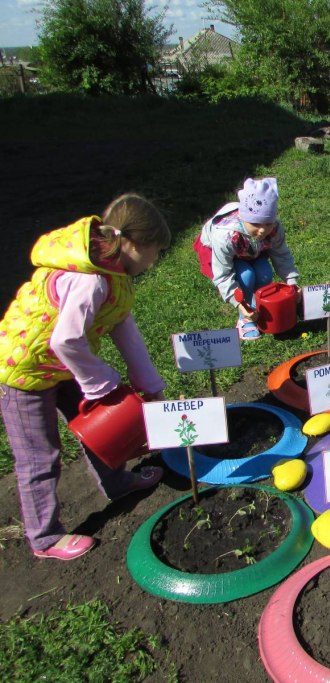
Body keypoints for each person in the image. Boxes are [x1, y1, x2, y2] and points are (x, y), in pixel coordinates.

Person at [0, 194, 171, 561]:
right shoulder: (90, 279)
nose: (155, 260)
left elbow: (125, 329)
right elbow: (66, 340)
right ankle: (45, 536)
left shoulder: (116, 275)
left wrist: (150, 386)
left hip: (61, 364)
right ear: (133, 243)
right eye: (155, 252)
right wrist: (101, 384)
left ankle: (116, 480)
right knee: (39, 454)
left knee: (99, 424)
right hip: (23, 369)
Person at [194, 177, 300, 340]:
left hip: (251, 249)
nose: (262, 230)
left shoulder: (274, 229)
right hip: (224, 255)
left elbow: (281, 255)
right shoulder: (225, 235)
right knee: (246, 275)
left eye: (268, 223)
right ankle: (245, 316)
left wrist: (291, 282)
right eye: (256, 224)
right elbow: (222, 274)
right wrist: (238, 303)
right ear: (244, 218)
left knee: (264, 272)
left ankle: (260, 306)